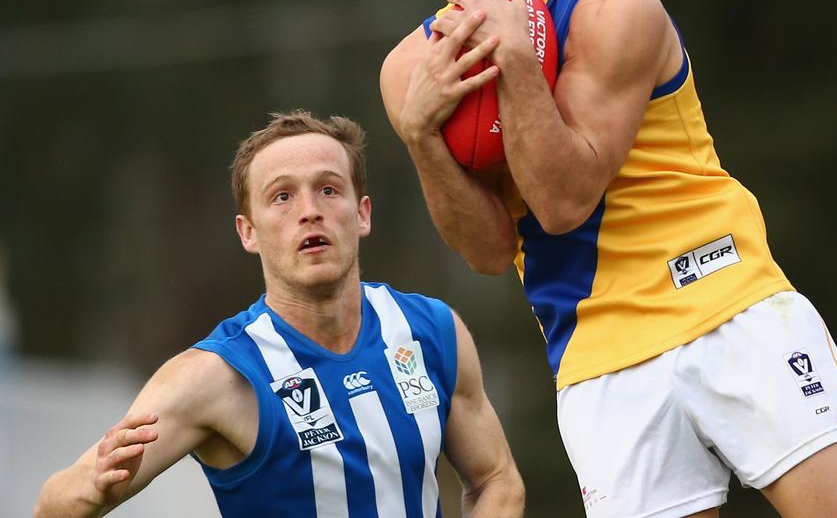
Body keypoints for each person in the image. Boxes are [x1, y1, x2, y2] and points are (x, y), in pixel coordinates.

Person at [379, 0, 837, 516]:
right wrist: (421, 136)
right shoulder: (413, 67)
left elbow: (564, 201)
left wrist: (518, 64)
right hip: (597, 358)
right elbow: (490, 251)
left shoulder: (613, 5)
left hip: (726, 302)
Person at [34, 111, 524, 518]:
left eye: (329, 189)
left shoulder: (431, 332)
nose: (309, 211)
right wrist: (93, 492)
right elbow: (54, 504)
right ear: (248, 232)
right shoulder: (216, 377)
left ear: (362, 213)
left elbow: (495, 480)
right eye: (282, 196)